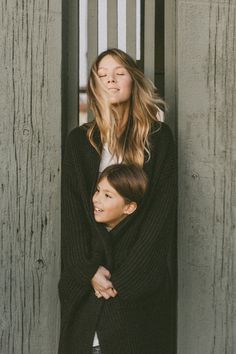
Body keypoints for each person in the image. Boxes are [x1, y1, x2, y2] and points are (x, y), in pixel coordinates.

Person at [58, 48, 177, 354]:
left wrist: (124, 282)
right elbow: (73, 215)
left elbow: (159, 216)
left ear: (133, 81)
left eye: (119, 73)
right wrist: (88, 273)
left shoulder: (158, 138)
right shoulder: (79, 141)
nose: (110, 80)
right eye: (102, 75)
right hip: (87, 279)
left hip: (139, 282)